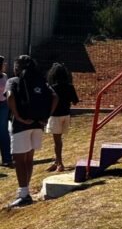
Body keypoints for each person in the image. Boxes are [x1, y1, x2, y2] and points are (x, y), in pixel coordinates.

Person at [5, 55, 57, 208]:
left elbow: (10, 96)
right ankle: (25, 189)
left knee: (19, 160)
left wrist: (18, 116)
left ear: (17, 68)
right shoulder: (41, 81)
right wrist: (46, 117)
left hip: (21, 126)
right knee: (29, 158)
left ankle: (23, 194)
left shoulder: (13, 81)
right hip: (37, 124)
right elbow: (55, 97)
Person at [45, 63, 79, 173]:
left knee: (57, 141)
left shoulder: (51, 88)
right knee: (59, 141)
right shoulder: (70, 86)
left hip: (55, 116)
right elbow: (75, 102)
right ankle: (56, 162)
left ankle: (60, 163)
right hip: (66, 115)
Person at [0, 56, 12, 167]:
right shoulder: (4, 76)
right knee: (3, 132)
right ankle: (7, 158)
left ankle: (7, 158)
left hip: (3, 105)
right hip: (3, 105)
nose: (4, 65)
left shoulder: (5, 76)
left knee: (3, 132)